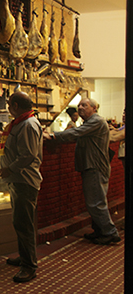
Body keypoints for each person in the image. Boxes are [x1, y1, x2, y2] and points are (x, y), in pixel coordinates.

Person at [44, 98, 120, 245]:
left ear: (94, 108)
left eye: (84, 105)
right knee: (95, 200)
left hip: (95, 166)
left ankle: (110, 233)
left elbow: (76, 133)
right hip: (91, 166)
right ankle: (99, 231)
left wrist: (53, 135)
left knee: (96, 202)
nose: (80, 108)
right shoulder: (90, 122)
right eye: (79, 105)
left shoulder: (96, 121)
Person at [0, 92, 43, 283]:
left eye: (9, 104)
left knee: (24, 224)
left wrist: (9, 169)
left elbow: (28, 155)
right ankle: (25, 257)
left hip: (25, 180)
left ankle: (29, 266)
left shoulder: (28, 124)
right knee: (20, 222)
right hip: (18, 180)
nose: (8, 107)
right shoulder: (21, 122)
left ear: (15, 105)